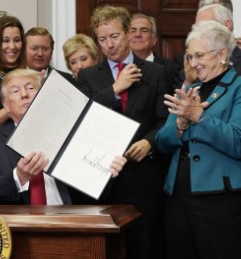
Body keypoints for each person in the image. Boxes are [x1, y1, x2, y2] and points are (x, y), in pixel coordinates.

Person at [156, 20, 241, 259]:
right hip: (178, 199)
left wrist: (199, 117)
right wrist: (180, 126)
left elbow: (239, 141)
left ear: (222, 53)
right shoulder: (191, 89)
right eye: (190, 56)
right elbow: (162, 142)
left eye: (199, 55)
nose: (193, 63)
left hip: (221, 200)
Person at [76, 5, 169, 259]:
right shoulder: (87, 76)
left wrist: (150, 143)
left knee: (146, 247)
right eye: (102, 39)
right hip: (102, 178)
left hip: (144, 177)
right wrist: (115, 88)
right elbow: (83, 119)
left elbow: (165, 119)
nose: (109, 45)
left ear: (128, 33)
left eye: (114, 36)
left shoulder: (156, 72)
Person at [0, 68, 127, 205]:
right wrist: (18, 177)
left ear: (44, 95)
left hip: (69, 220)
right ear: (5, 105)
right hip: (18, 226)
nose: (24, 95)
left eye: (30, 88)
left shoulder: (68, 134)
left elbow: (89, 198)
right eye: (15, 91)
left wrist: (105, 175)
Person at [129, 13, 176, 93]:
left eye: (144, 30)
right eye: (132, 30)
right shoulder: (117, 67)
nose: (137, 35)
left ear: (154, 40)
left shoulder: (170, 68)